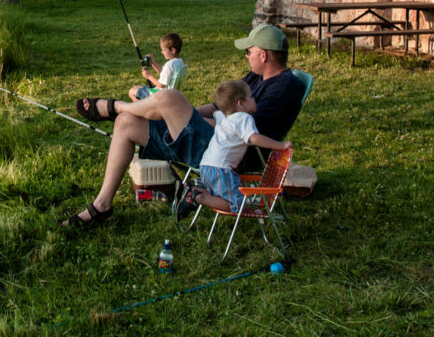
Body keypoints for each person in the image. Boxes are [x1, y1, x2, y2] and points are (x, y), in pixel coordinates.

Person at [63, 24, 304, 227]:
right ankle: (102, 207)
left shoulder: (284, 88)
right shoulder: (256, 77)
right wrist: (183, 114)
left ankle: (114, 107)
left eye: (249, 52)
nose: (246, 56)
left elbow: (242, 135)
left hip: (227, 158)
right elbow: (218, 108)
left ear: (263, 55)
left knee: (171, 98)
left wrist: (180, 113)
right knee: (128, 123)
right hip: (215, 142)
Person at [173, 79, 293, 220]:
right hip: (221, 169)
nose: (255, 99)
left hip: (206, 166)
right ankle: (197, 197)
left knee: (221, 194)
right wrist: (280, 145)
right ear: (240, 103)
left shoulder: (224, 117)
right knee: (238, 205)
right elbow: (255, 139)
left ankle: (193, 189)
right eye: (251, 97)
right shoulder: (244, 118)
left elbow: (215, 114)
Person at [128, 32, 187, 101]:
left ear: (173, 50)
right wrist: (153, 63)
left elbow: (161, 84)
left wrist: (149, 76)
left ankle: (144, 110)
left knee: (132, 92)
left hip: (161, 95)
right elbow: (164, 72)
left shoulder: (169, 65)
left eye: (164, 50)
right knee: (138, 87)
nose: (162, 52)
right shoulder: (179, 62)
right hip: (171, 93)